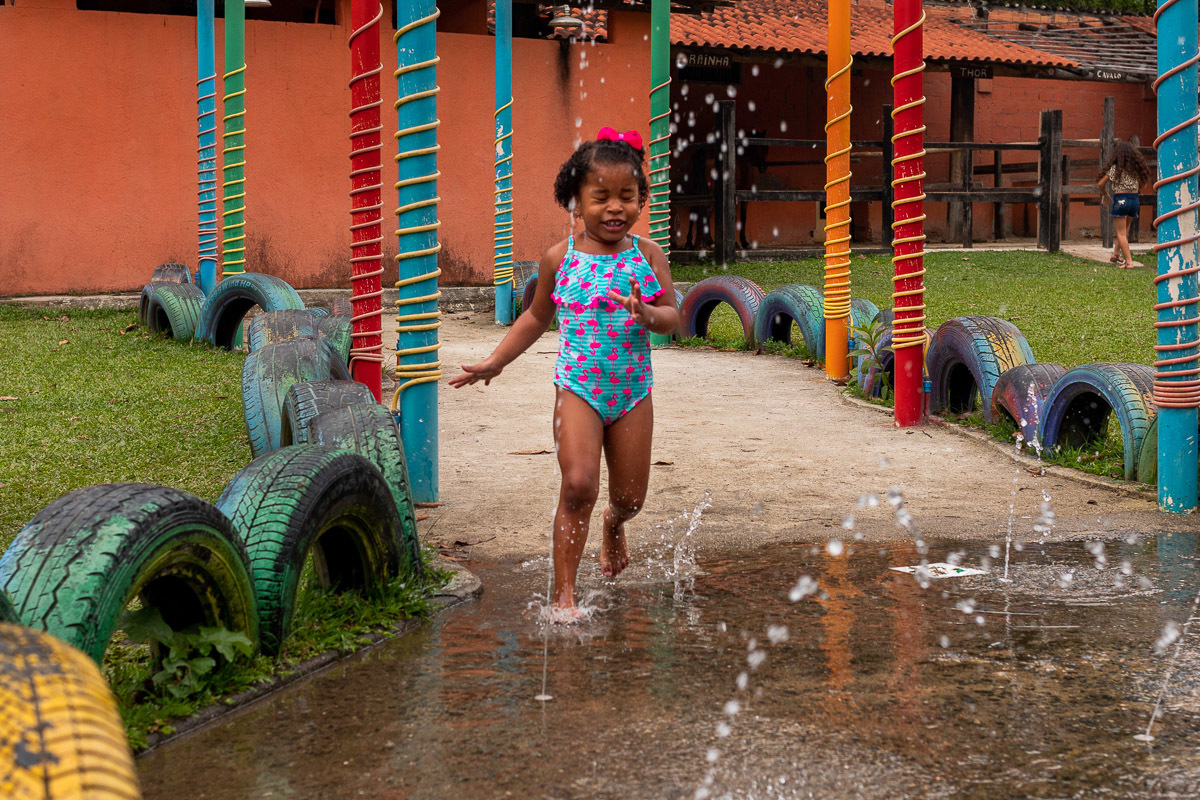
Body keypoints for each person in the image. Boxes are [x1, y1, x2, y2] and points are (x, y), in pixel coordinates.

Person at [449, 127, 680, 616]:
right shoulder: (561, 258)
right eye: (601, 197)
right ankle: (565, 597)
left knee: (630, 497)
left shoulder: (648, 255)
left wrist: (648, 315)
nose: (615, 208)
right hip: (579, 388)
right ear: (575, 199)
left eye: (627, 197)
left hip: (633, 390)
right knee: (578, 485)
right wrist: (496, 360)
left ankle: (614, 526)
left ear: (642, 200)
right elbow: (536, 316)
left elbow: (673, 316)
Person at [1097, 141, 1151, 269]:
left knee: (1120, 233)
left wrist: (1105, 194)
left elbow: (1100, 184)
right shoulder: (1136, 169)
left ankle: (1129, 262)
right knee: (1124, 231)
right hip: (1134, 200)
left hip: (1121, 200)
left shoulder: (1116, 169)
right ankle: (1115, 254)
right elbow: (1142, 184)